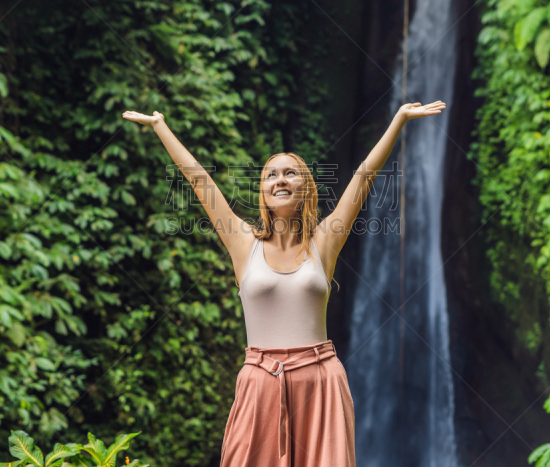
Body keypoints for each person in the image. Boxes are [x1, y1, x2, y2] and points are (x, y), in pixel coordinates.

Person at [122, 100, 445, 467]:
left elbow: (364, 177)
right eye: (271, 174)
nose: (280, 179)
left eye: (290, 173)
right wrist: (161, 126)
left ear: (306, 187)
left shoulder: (324, 243)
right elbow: (199, 180)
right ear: (262, 192)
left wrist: (398, 120)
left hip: (320, 381)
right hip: (259, 382)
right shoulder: (243, 244)